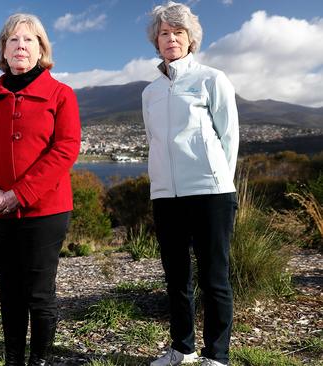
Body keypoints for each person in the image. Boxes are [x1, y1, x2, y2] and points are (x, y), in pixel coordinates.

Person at [0, 13, 81, 366]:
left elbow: (66, 148)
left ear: (41, 48)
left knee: (39, 293)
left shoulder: (61, 94)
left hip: (46, 211)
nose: (21, 46)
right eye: (13, 40)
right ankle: (13, 358)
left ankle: (39, 361)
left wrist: (20, 194)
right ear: (3, 48)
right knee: (8, 291)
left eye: (29, 40)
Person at [142, 2, 239, 366]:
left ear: (190, 39)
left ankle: (217, 356)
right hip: (166, 196)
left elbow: (229, 137)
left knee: (215, 278)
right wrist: (161, 182)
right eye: (164, 33)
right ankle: (182, 349)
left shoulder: (212, 79)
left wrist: (219, 181)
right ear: (156, 40)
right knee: (176, 279)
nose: (170, 39)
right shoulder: (149, 92)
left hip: (212, 193)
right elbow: (154, 140)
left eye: (177, 32)